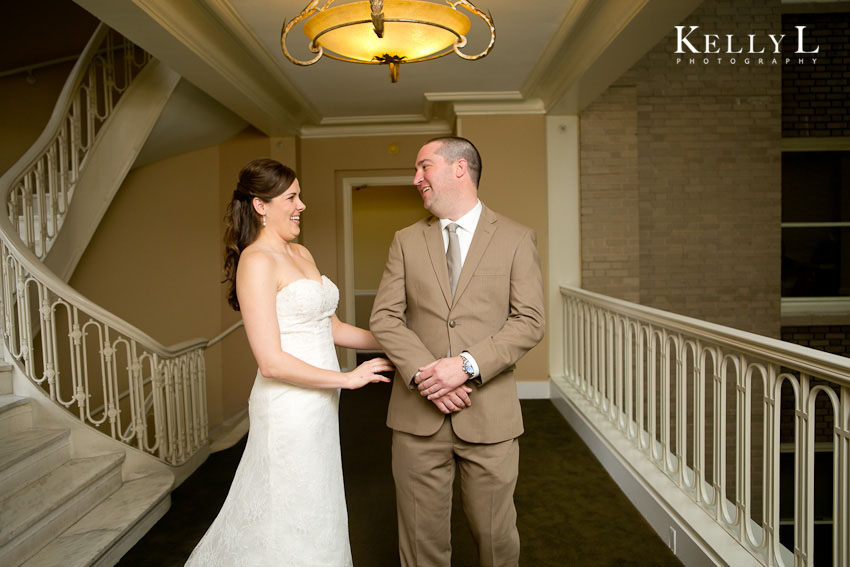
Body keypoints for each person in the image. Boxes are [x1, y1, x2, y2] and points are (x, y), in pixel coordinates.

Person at [185, 158, 392, 566]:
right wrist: (346, 378)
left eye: (299, 196)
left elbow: (332, 329)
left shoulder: (301, 252)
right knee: (289, 506)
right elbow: (271, 362)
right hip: (287, 409)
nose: (302, 205)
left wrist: (396, 342)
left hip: (318, 405)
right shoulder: (256, 261)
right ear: (261, 205)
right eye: (292, 197)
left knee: (317, 500)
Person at [370, 137, 545, 566]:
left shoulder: (516, 238)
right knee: (419, 541)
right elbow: (385, 319)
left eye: (423, 167)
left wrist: (466, 366)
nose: (416, 179)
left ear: (460, 168)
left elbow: (530, 321)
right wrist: (430, 377)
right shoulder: (406, 241)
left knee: (496, 539)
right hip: (417, 418)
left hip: (489, 417)